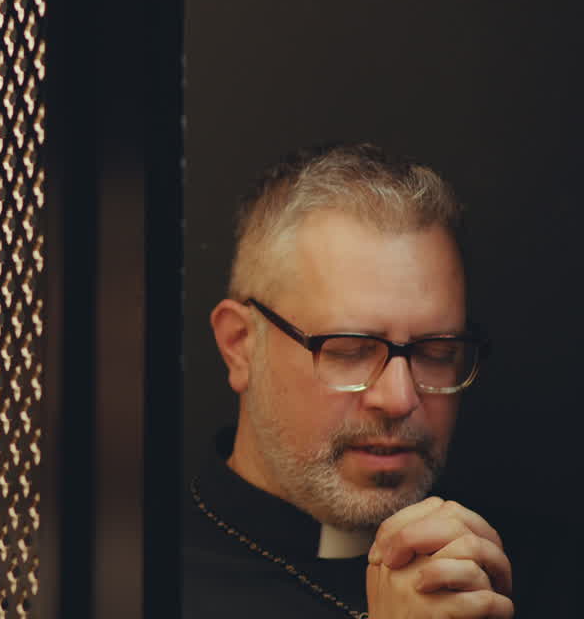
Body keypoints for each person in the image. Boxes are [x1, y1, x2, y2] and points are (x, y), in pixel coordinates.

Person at [183, 143, 513, 618]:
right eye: (350, 351)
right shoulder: (127, 587)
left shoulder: (542, 574)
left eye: (437, 353)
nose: (399, 399)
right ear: (239, 345)